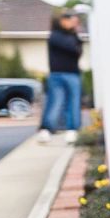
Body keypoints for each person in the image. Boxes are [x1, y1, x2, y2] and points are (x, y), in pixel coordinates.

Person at [40, 10, 84, 143]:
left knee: (74, 103)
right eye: (69, 20)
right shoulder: (55, 36)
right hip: (57, 74)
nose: (71, 23)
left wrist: (75, 32)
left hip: (73, 74)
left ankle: (72, 130)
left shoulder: (73, 36)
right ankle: (47, 130)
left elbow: (78, 50)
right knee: (55, 102)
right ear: (62, 21)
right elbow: (71, 48)